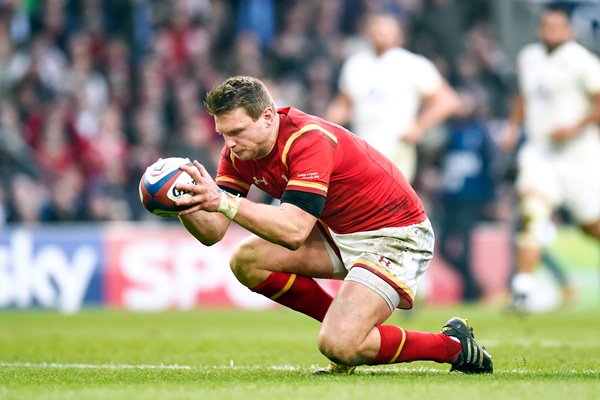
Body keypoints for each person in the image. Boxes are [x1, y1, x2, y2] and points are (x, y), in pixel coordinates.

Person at [173, 76, 492, 374]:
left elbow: (294, 231)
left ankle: (452, 345)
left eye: (237, 132)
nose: (229, 144)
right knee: (245, 260)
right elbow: (212, 231)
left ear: (268, 117)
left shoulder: (309, 140)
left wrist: (224, 202)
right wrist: (181, 202)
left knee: (338, 345)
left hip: (394, 234)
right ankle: (344, 325)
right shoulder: (240, 151)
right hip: (339, 232)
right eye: (223, 134)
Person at [500, 5, 600, 312]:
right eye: (546, 26)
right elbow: (523, 95)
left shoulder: (582, 61)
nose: (551, 31)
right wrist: (513, 128)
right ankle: (522, 291)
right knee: (533, 212)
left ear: (569, 30)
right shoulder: (529, 57)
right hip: (540, 154)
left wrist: (575, 127)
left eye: (557, 26)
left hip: (579, 156)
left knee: (591, 226)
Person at [325, 11, 460, 183]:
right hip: (362, 151)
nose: (379, 33)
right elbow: (343, 105)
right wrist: (325, 127)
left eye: (385, 28)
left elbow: (448, 101)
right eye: (376, 28)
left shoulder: (411, 64)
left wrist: (419, 126)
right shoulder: (355, 65)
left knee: (390, 202)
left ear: (399, 33)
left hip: (397, 152)